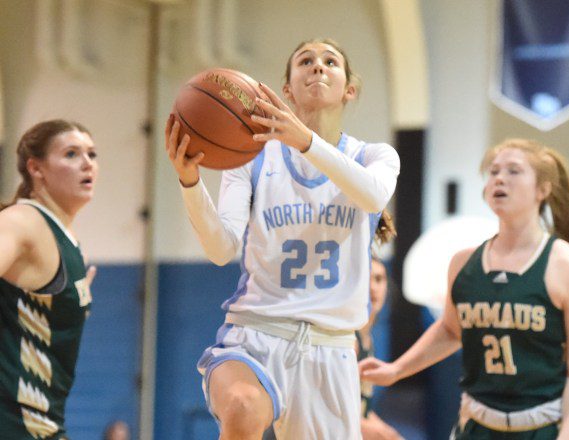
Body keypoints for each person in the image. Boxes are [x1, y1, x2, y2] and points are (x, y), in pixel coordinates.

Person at [165, 37, 400, 439]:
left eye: (330, 62)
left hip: (331, 346)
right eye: (305, 61)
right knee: (242, 406)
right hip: (257, 333)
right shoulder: (252, 158)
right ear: (287, 89)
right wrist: (190, 183)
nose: (318, 67)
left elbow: (374, 195)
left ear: (349, 90)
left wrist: (304, 141)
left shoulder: (374, 157)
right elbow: (222, 249)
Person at [360, 138, 569, 439]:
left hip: (545, 424)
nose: (499, 178)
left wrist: (568, 434)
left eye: (514, 171)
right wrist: (397, 369)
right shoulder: (464, 263)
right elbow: (451, 330)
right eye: (493, 171)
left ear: (542, 190)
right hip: (478, 422)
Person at [0, 119, 98, 439]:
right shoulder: (23, 222)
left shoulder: (65, 238)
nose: (87, 163)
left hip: (41, 424)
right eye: (71, 154)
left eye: (92, 154)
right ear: (36, 169)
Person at [358, 255, 404, 440]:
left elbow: (363, 410)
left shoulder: (367, 338)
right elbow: (331, 410)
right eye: (365, 279)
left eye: (379, 279)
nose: (373, 287)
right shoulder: (347, 339)